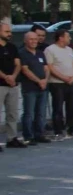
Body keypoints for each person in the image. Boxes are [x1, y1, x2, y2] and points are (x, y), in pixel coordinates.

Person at [45, 29, 73, 140]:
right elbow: (50, 67)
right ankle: (58, 131)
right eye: (68, 36)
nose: (70, 38)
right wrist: (63, 77)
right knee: (58, 107)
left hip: (71, 83)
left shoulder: (70, 50)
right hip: (57, 83)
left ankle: (71, 129)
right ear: (61, 38)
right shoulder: (50, 50)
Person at [19, 31, 51, 145]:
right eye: (31, 39)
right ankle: (28, 136)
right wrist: (39, 81)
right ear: (25, 41)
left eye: (35, 39)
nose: (34, 41)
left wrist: (45, 80)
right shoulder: (22, 53)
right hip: (30, 88)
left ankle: (39, 134)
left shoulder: (40, 53)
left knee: (41, 113)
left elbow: (46, 68)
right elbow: (25, 70)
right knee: (29, 113)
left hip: (43, 88)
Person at [0, 18, 23, 149]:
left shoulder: (12, 47)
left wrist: (13, 77)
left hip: (13, 85)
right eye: (6, 31)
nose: (9, 34)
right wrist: (6, 77)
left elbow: (18, 64)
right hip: (0, 85)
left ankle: (12, 138)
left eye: (10, 31)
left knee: (12, 113)